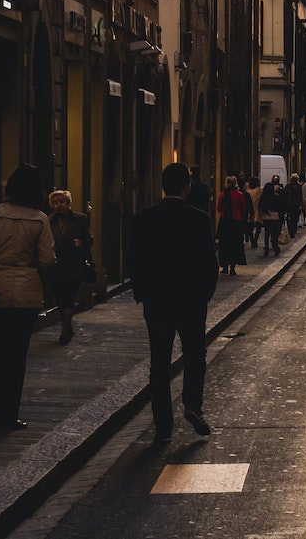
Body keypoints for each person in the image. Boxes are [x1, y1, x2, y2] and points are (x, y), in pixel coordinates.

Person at [128, 163, 219, 444]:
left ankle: (163, 426)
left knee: (159, 364)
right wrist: (204, 295)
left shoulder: (143, 218)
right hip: (191, 302)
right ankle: (192, 405)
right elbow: (209, 264)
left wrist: (142, 293)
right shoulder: (200, 219)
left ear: (163, 185)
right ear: (187, 187)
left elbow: (135, 260)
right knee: (194, 356)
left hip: (157, 302)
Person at [0, 163, 57, 429]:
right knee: (17, 355)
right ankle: (10, 414)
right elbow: (47, 259)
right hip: (26, 293)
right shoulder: (40, 219)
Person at [48, 189, 94, 346]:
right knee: (61, 299)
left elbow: (89, 239)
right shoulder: (48, 221)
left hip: (74, 266)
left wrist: (81, 244)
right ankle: (67, 327)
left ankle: (65, 330)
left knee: (68, 297)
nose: (58, 205)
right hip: (56, 267)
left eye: (62, 202)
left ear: (68, 204)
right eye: (55, 203)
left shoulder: (80, 219)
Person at [215, 177, 248, 276]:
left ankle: (225, 266)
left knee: (224, 244)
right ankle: (232, 268)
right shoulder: (239, 195)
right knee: (235, 244)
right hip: (236, 222)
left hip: (224, 221)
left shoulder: (222, 195)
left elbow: (219, 208)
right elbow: (243, 208)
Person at [258, 177, 283, 256]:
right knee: (274, 233)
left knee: (267, 232)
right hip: (275, 217)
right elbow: (279, 207)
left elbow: (260, 205)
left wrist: (266, 211)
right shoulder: (275, 196)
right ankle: (275, 247)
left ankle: (266, 247)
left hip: (266, 216)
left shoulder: (263, 196)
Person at [244, 177, 264, 249]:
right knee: (258, 226)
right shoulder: (259, 190)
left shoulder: (247, 191)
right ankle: (255, 239)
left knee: (250, 226)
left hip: (250, 209)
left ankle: (252, 240)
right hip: (257, 209)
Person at [284, 174, 302, 240]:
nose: (293, 180)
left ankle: (294, 229)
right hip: (289, 204)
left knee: (295, 218)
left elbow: (300, 196)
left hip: (296, 204)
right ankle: (291, 231)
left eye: (295, 179)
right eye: (293, 179)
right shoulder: (288, 186)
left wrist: (301, 205)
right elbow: (285, 195)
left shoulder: (299, 187)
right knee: (289, 218)